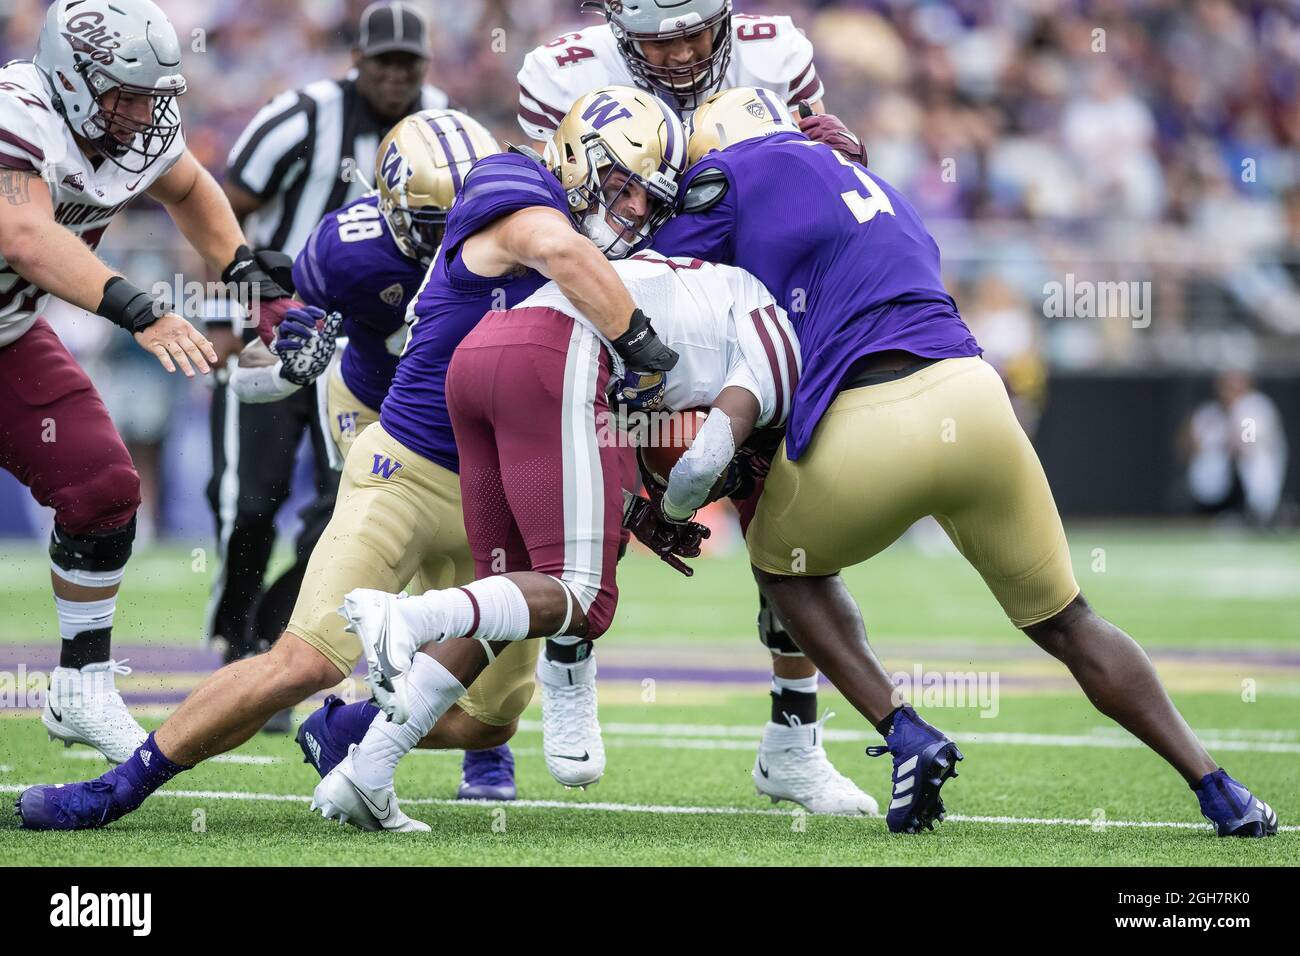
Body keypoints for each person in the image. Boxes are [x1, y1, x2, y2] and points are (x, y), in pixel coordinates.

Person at [16, 85, 688, 833]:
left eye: (645, 194)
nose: (631, 208)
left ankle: (341, 729)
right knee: (302, 662)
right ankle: (118, 787)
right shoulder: (512, 186)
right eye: (621, 184)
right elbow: (560, 252)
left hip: (503, 493)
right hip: (410, 465)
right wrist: (643, 348)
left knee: (487, 723)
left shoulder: (623, 249)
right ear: (573, 158)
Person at [646, 87, 1278, 838]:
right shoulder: (878, 186)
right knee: (1069, 619)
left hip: (872, 413)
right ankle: (1221, 789)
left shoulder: (732, 173)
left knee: (783, 569)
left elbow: (656, 273)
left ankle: (904, 731)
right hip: (977, 399)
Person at [514, 0, 872, 810]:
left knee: (790, 521)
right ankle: (568, 661)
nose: (677, 54)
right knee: (587, 497)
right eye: (656, 39)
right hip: (617, 312)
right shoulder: (560, 70)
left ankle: (795, 738)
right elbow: (546, 214)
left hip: (744, 307)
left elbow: (823, 184)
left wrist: (852, 156)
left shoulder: (776, 51)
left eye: (691, 33)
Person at [0, 0, 299, 765]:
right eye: (124, 95)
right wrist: (143, 312)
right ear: (70, 78)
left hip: (7, 336)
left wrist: (243, 274)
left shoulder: (137, 126)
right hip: (23, 315)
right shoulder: (17, 113)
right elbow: (23, 234)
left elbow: (192, 187)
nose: (141, 113)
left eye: (150, 95)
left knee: (103, 487)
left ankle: (81, 685)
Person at [229, 107, 524, 800]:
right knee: (405, 556)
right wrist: (290, 356)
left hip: (479, 420)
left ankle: (471, 734)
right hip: (372, 408)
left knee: (486, 569)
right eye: (436, 224)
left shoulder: (521, 226)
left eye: (472, 215)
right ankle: (357, 701)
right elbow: (253, 366)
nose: (460, 236)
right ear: (390, 208)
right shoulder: (347, 247)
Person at [204, 1, 450, 687]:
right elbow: (218, 210)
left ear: (425, 67)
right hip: (279, 325)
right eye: (384, 62)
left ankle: (273, 642)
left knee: (344, 502)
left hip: (367, 344)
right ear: (357, 61)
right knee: (251, 503)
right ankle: (236, 633)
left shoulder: (442, 121)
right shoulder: (300, 116)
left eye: (409, 63)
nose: (397, 76)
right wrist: (226, 315)